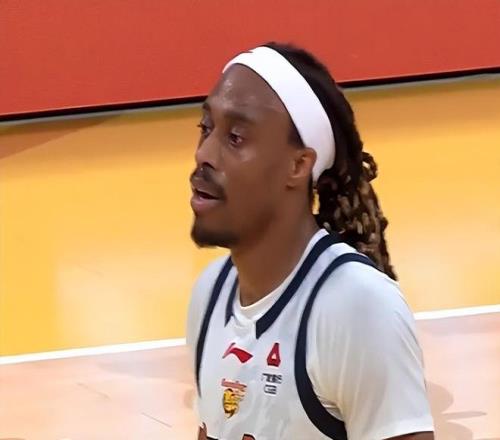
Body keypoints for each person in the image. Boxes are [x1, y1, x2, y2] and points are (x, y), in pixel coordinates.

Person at [186, 43, 434, 440]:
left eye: (235, 137)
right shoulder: (210, 294)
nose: (204, 154)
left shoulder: (357, 307)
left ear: (298, 165)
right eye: (206, 128)